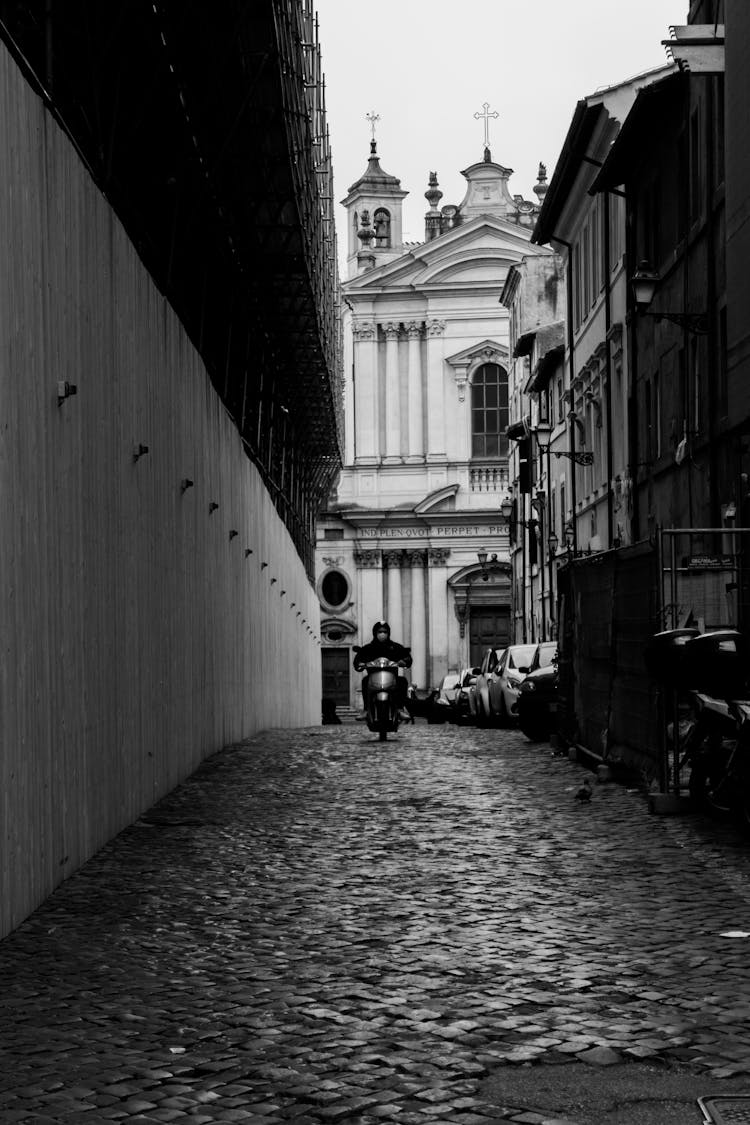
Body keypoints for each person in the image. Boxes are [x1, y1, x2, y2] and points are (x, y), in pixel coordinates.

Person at [354, 621, 412, 721]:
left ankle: (400, 709)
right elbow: (358, 660)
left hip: (392, 678)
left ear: (388, 633)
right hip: (373, 678)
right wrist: (360, 664)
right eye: (380, 632)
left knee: (402, 681)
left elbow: (407, 657)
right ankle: (366, 710)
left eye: (384, 632)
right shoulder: (368, 648)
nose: (382, 634)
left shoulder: (395, 647)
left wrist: (404, 661)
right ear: (375, 633)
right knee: (365, 681)